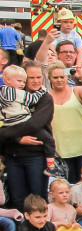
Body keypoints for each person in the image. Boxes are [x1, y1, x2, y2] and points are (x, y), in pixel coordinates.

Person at [1, 64, 55, 210]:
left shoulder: (45, 98)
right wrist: (17, 139)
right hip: (12, 156)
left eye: (39, 77)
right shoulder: (9, 95)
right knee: (18, 200)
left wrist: (6, 133)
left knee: (38, 199)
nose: (36, 81)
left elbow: (33, 125)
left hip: (36, 156)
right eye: (31, 78)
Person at [47, 61, 82, 183]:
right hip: (62, 150)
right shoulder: (46, 96)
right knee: (68, 187)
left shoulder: (77, 91)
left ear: (67, 77)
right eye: (55, 77)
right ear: (49, 78)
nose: (59, 80)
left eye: (62, 77)